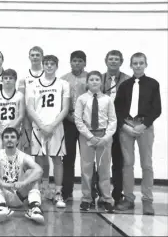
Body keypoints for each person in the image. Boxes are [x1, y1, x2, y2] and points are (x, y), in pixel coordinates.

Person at [115, 52, 161, 215]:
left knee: (146, 164)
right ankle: (128, 198)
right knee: (127, 164)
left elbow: (157, 109)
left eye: (141, 63)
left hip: (144, 127)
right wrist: (124, 126)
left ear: (146, 64)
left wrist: (144, 125)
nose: (138, 66)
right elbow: (117, 109)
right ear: (131, 65)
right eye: (135, 63)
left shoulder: (153, 84)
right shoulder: (124, 85)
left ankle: (147, 200)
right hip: (127, 126)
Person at [27, 55, 70, 208]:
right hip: (38, 127)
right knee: (39, 159)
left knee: (57, 159)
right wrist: (42, 125)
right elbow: (30, 108)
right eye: (47, 63)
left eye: (52, 64)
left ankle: (58, 193)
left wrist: (52, 125)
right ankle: (40, 189)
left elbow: (65, 108)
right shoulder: (33, 84)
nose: (49, 66)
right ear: (43, 65)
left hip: (56, 126)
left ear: (57, 66)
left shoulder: (63, 84)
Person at [91, 50, 131, 206]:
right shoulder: (98, 79)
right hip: (101, 127)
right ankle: (101, 194)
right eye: (111, 59)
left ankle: (117, 193)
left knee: (119, 161)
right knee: (101, 162)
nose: (113, 61)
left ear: (121, 61)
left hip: (120, 126)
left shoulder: (128, 80)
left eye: (116, 59)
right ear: (105, 61)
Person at [74, 71, 116, 213]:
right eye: (91, 79)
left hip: (103, 135)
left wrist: (105, 137)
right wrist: (89, 136)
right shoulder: (82, 99)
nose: (94, 82)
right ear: (87, 82)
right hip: (87, 136)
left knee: (104, 168)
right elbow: (78, 120)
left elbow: (113, 120)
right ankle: (87, 198)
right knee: (86, 168)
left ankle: (106, 198)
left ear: (101, 82)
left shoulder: (107, 99)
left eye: (97, 79)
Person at [0, 127, 44, 224]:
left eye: (12, 137)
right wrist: (2, 183)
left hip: (19, 194)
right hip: (2, 194)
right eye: (6, 137)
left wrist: (23, 183)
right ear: (2, 140)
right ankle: (1, 207)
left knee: (32, 173)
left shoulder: (24, 156)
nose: (9, 139)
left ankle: (35, 208)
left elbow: (39, 170)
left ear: (17, 141)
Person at [18, 46, 52, 199]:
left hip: (44, 121)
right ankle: (28, 183)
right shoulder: (24, 77)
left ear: (42, 57)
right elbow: (21, 102)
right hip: (28, 121)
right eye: (33, 55)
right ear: (29, 57)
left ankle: (44, 185)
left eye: (38, 55)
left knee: (43, 155)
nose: (36, 57)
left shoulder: (49, 75)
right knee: (26, 153)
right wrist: (24, 123)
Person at [60, 50, 88, 202]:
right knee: (68, 157)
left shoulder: (90, 78)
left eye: (80, 61)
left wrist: (83, 119)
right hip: (68, 121)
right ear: (70, 62)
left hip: (86, 122)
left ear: (85, 63)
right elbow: (60, 102)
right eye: (74, 61)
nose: (77, 63)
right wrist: (69, 116)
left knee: (88, 159)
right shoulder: (63, 79)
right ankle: (66, 191)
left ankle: (90, 192)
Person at [0, 68, 25, 152]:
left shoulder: (20, 95)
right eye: (5, 78)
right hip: (0, 131)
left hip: (14, 131)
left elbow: (21, 116)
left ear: (15, 80)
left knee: (15, 159)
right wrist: (1, 129)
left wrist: (10, 130)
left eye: (10, 78)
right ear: (2, 80)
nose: (8, 80)